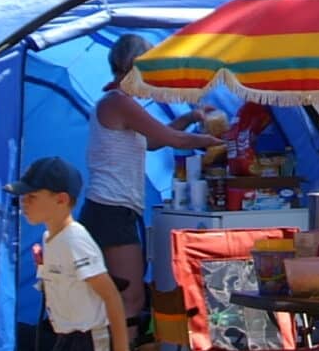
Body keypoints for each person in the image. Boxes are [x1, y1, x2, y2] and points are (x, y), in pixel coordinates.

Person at [10, 156, 138, 351]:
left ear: (61, 200)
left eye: (32, 196)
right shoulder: (49, 238)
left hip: (88, 339)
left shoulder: (75, 240)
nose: (24, 203)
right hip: (63, 338)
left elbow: (110, 295)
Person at [86, 34, 220, 323]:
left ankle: (116, 349)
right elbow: (173, 139)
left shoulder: (116, 103)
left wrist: (190, 118)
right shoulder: (119, 102)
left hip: (110, 209)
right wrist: (217, 142)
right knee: (131, 297)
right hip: (112, 210)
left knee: (120, 295)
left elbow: (153, 142)